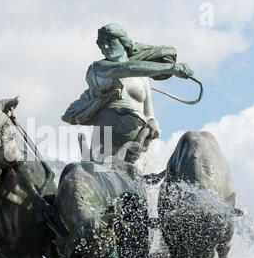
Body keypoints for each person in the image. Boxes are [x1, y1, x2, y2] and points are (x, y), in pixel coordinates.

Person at [62, 23, 194, 163]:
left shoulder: (143, 79)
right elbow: (128, 67)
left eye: (110, 41)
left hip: (136, 150)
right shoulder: (98, 69)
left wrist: (152, 125)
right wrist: (170, 68)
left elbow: (149, 114)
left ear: (123, 42)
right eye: (102, 44)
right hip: (106, 146)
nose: (105, 47)